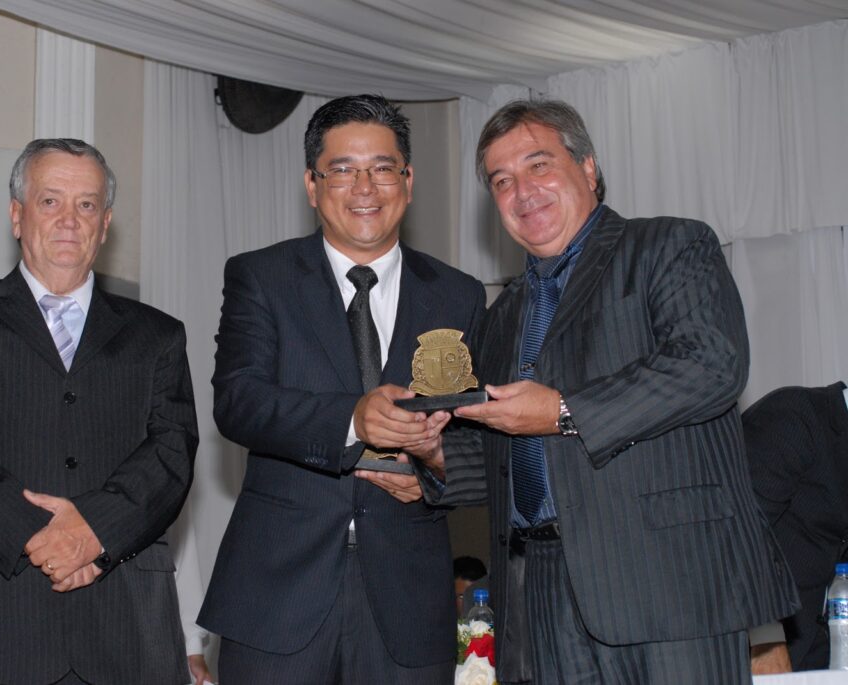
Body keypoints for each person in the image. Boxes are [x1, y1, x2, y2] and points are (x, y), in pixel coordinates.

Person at [423, 99, 799, 684]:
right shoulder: (501, 317)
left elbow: (711, 365)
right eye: (502, 181)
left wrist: (563, 410)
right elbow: (507, 454)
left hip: (670, 586)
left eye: (538, 165)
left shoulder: (670, 246)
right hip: (541, 593)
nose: (523, 192)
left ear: (588, 167)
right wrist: (432, 455)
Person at [197, 94, 486, 684]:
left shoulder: (459, 294)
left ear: (408, 181)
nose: (365, 188)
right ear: (312, 184)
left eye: (382, 168)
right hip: (277, 595)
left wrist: (436, 462)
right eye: (343, 170)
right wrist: (353, 419)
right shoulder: (262, 276)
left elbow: (482, 438)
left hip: (409, 600)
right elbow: (239, 401)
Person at [0, 138, 198, 685]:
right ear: (17, 216)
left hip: (125, 631)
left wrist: (94, 533)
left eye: (86, 204)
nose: (69, 219)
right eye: (50, 201)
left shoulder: (158, 335)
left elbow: (171, 455)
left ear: (104, 225)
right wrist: (45, 540)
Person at [741, 381, 848, 671]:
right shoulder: (796, 416)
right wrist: (764, 639)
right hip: (752, 651)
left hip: (820, 661)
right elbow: (736, 534)